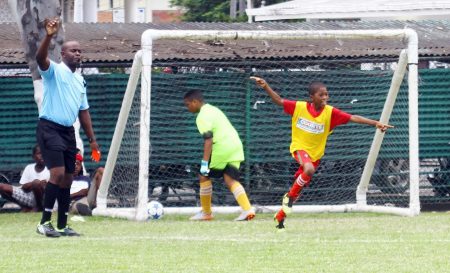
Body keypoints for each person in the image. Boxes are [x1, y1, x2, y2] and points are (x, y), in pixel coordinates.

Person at [250, 76, 393, 230]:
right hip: (299, 149)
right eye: (321, 95)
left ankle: (280, 217)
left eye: (326, 94)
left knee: (299, 190)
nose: (325, 97)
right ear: (312, 97)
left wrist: (376, 123)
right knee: (308, 171)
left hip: (315, 156)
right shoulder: (299, 107)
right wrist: (265, 86)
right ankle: (289, 197)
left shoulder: (330, 112)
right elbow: (278, 100)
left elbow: (353, 117)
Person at [35, 17, 101, 237]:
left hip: (68, 132)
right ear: (62, 54)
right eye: (73, 51)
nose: (77, 54)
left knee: (69, 177)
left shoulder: (80, 81)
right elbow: (39, 57)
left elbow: (84, 112)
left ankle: (62, 224)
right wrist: (49, 36)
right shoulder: (54, 71)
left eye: (79, 51)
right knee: (57, 173)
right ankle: (44, 222)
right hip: (49, 128)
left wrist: (92, 140)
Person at [184, 90, 255, 221]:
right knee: (230, 180)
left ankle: (206, 213)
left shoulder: (201, 117)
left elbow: (208, 140)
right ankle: (247, 209)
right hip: (236, 146)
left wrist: (204, 164)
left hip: (221, 148)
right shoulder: (213, 109)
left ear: (195, 102)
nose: (187, 108)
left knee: (203, 176)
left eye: (188, 104)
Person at [0, 145, 50, 212]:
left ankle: (39, 208)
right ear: (33, 157)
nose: (42, 155)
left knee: (36, 183)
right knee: (2, 187)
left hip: (44, 199)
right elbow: (24, 187)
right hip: (29, 196)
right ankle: (26, 207)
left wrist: (36, 184)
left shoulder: (51, 169)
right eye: (39, 153)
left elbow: (49, 187)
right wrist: (34, 184)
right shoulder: (29, 168)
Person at [69, 152, 103, 216]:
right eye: (73, 164)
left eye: (77, 164)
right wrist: (79, 193)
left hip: (88, 199)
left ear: (81, 166)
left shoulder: (86, 178)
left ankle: (99, 204)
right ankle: (88, 211)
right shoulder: (65, 179)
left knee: (101, 170)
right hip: (73, 202)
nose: (75, 166)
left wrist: (86, 192)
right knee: (79, 205)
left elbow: (91, 191)